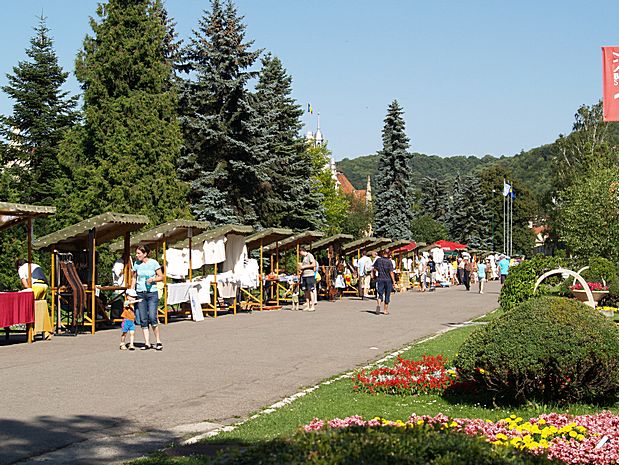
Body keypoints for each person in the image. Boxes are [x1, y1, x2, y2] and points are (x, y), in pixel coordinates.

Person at [132, 245, 164, 350]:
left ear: (145, 254)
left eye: (138, 253)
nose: (137, 256)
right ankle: (147, 342)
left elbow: (161, 276)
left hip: (152, 293)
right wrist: (131, 292)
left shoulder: (153, 263)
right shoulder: (136, 264)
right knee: (143, 318)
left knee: (152, 317)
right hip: (140, 293)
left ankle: (158, 341)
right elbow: (134, 278)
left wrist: (153, 279)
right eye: (136, 253)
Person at [373, 249, 396, 315]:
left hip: (380, 278)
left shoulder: (378, 260)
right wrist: (394, 281)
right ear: (389, 254)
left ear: (383, 253)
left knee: (380, 293)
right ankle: (385, 310)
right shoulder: (389, 262)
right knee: (387, 294)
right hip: (388, 280)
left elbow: (374, 268)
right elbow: (391, 272)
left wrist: (375, 274)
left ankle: (378, 305)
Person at [298, 246, 317, 311]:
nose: (300, 254)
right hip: (304, 275)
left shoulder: (310, 255)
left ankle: (312, 306)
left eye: (300, 252)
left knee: (310, 290)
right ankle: (308, 305)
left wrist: (304, 267)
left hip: (310, 275)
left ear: (302, 251)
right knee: (305, 290)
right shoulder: (304, 258)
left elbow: (313, 264)